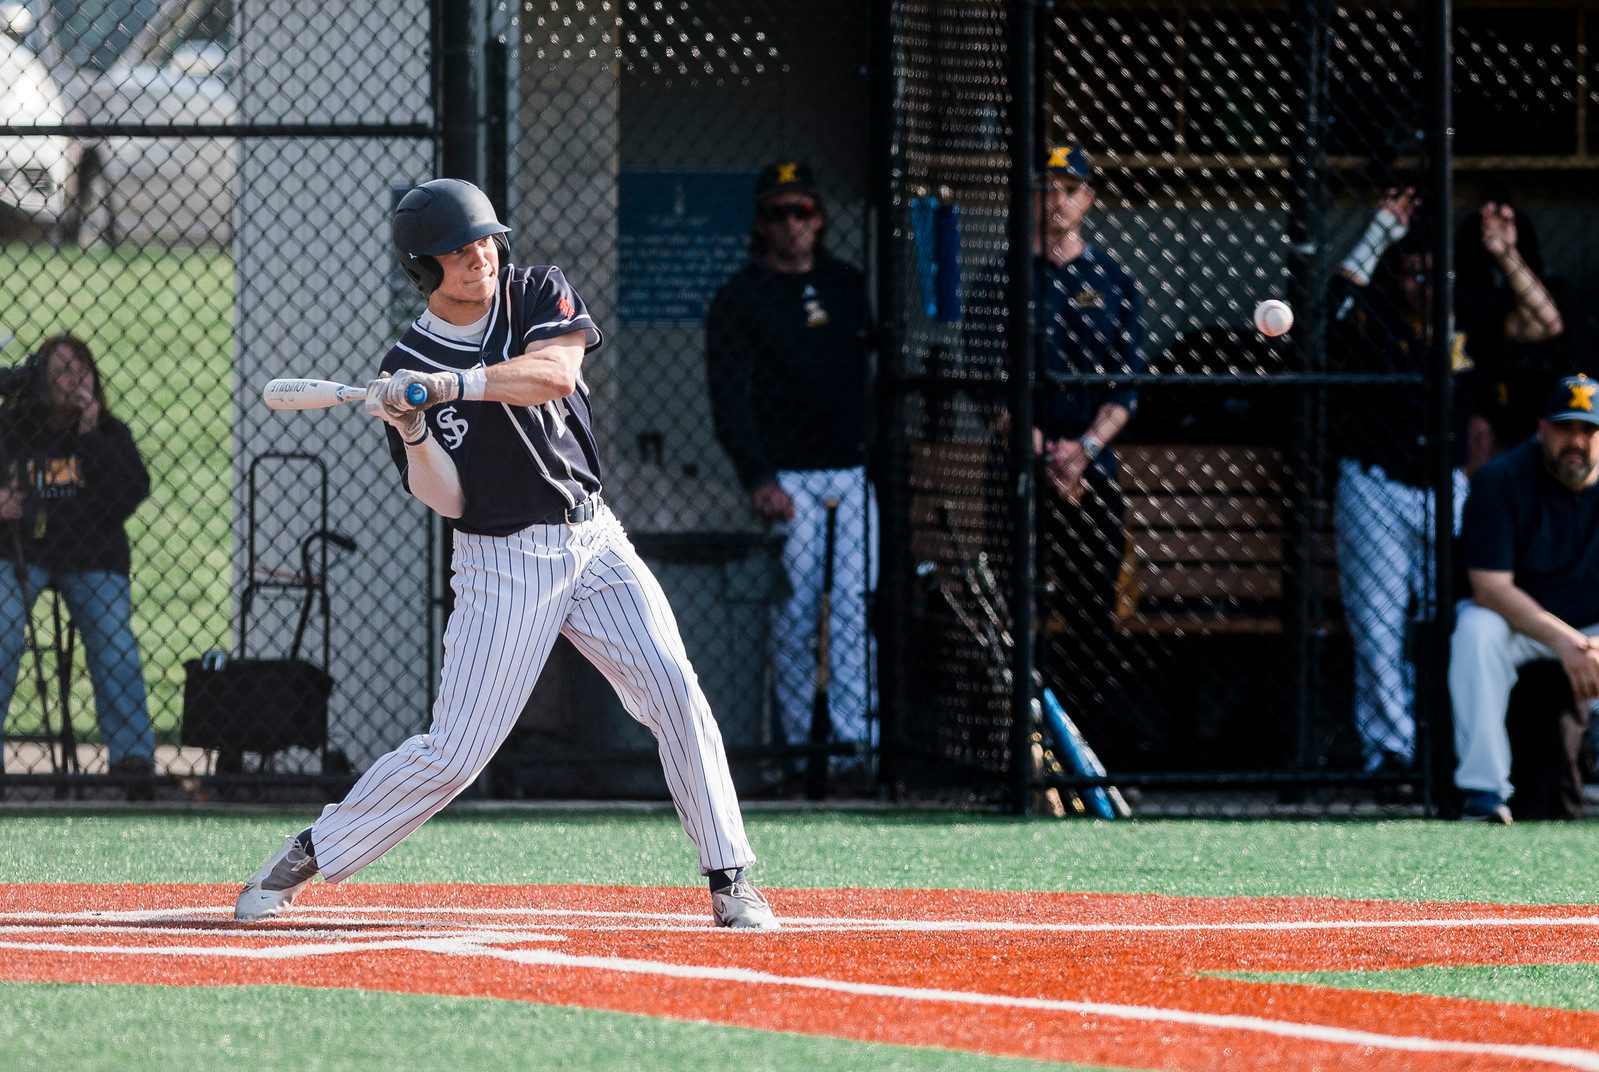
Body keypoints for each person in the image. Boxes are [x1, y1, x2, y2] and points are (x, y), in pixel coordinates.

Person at [235, 178, 777, 929]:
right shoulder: (408, 358)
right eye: (458, 252)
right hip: (501, 560)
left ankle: (729, 876)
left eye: (485, 241)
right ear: (425, 269)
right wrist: (414, 428)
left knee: (673, 687)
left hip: (593, 538)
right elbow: (448, 500)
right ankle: (312, 850)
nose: (479, 258)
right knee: (456, 753)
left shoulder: (534, 292)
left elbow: (556, 374)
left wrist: (453, 385)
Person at [967, 145, 1145, 762]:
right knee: (1012, 608)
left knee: (1090, 610)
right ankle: (1016, 752)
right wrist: (1042, 452)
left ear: (1089, 200)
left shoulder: (1114, 281)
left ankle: (1090, 754)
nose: (1058, 199)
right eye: (1046, 187)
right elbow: (985, 382)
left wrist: (1084, 450)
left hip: (1089, 475)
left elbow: (1127, 386)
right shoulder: (1000, 279)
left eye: (1070, 188)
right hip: (1020, 468)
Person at [704, 160, 875, 767]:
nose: (792, 224)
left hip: (851, 471)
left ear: (820, 219)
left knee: (853, 606)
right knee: (797, 612)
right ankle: (802, 748)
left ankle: (856, 745)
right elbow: (729, 398)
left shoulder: (847, 285)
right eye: (779, 213)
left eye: (802, 211)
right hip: (789, 479)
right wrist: (759, 476)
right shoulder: (741, 297)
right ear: (762, 224)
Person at [1327, 202, 1477, 778]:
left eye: (1434, 275)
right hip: (1376, 486)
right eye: (1412, 273)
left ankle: (1445, 742)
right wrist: (1380, 231)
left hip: (1450, 486)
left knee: (1455, 619)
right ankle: (1391, 752)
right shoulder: (1375, 320)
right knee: (1379, 624)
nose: (1423, 287)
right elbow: (1333, 307)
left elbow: (1544, 331)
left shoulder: (1468, 321)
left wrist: (1506, 254)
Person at [0, 333, 155, 795]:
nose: (75, 379)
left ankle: (132, 757)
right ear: (41, 382)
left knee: (114, 642)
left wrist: (90, 436)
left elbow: (129, 492)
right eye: (62, 370)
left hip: (92, 556)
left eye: (82, 369)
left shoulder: (107, 432)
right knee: (2, 629)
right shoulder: (10, 429)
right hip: (17, 552)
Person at [1449, 374, 1599, 823]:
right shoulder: (1502, 478)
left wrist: (1589, 647)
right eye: (1564, 428)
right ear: (1541, 430)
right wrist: (1566, 643)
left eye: (1588, 430)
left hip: (1593, 636)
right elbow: (1489, 587)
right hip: (1523, 623)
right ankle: (1485, 792)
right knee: (1475, 630)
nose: (1575, 441)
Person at [1454, 190, 1569, 460]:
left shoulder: (1544, 293)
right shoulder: (1464, 302)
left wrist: (1506, 253)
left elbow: (1547, 323)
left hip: (1524, 414)